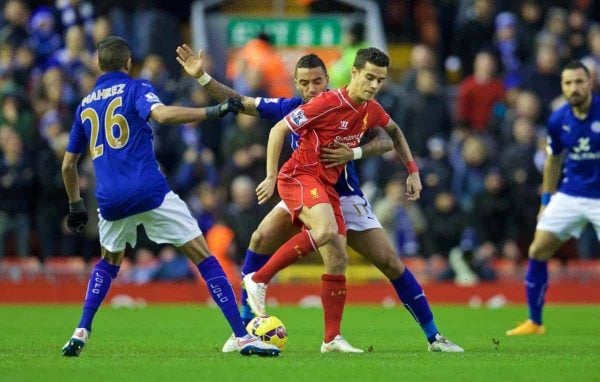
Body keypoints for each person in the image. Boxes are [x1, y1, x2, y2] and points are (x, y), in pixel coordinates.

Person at [176, 45, 464, 353]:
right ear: (296, 84)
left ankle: (431, 336)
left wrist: (357, 152)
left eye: (317, 81)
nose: (312, 88)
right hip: (305, 186)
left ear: (327, 79)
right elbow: (240, 103)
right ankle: (245, 329)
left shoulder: (353, 104)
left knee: (387, 262)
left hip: (345, 194)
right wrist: (203, 78)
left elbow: (385, 137)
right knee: (260, 239)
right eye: (304, 83)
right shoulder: (291, 108)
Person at [60, 36, 279, 357]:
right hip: (149, 190)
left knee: (108, 262)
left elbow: (68, 165)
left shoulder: (84, 105)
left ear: (97, 65)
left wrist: (76, 205)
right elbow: (161, 115)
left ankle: (81, 329)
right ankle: (243, 337)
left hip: (109, 200)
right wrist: (213, 110)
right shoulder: (135, 88)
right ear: (128, 63)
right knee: (204, 257)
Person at [507, 61, 600, 336]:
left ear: (590, 82)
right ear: (562, 86)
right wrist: (546, 200)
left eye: (579, 82)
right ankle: (535, 322)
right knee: (537, 251)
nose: (574, 88)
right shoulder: (558, 119)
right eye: (568, 83)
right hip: (570, 194)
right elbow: (553, 162)